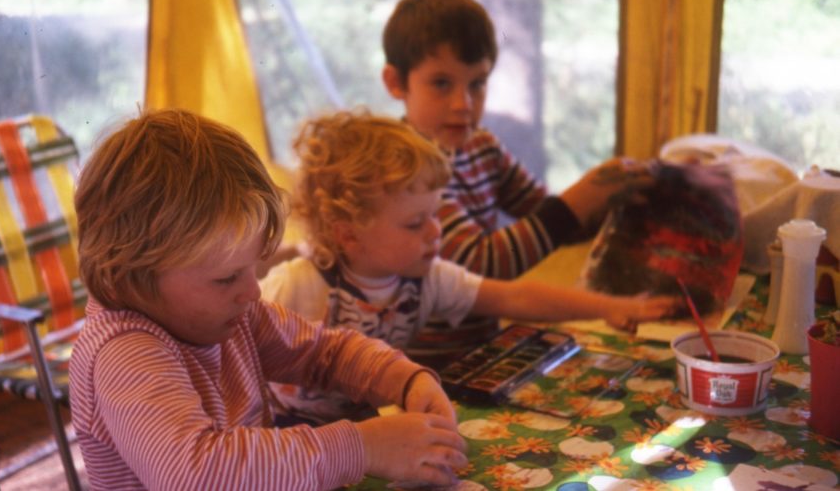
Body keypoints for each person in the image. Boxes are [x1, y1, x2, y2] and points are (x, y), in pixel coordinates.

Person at [69, 108, 467, 490]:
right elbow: (198, 475)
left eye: (253, 267)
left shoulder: (234, 313)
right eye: (226, 278)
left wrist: (402, 380)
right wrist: (362, 448)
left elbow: (322, 353)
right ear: (133, 275)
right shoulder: (125, 354)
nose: (253, 291)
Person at [261, 111, 677, 423]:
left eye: (435, 215)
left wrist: (608, 306)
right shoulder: (296, 286)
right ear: (348, 234)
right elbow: (234, 355)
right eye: (414, 222)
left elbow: (513, 295)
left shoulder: (425, 277)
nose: (434, 232)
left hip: (361, 426)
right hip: (281, 431)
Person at [381, 0, 649, 280]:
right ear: (396, 82)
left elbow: (558, 224)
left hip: (490, 327)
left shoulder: (482, 146)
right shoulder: (404, 168)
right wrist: (584, 196)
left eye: (477, 83)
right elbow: (482, 263)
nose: (463, 104)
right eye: (442, 83)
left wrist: (617, 198)